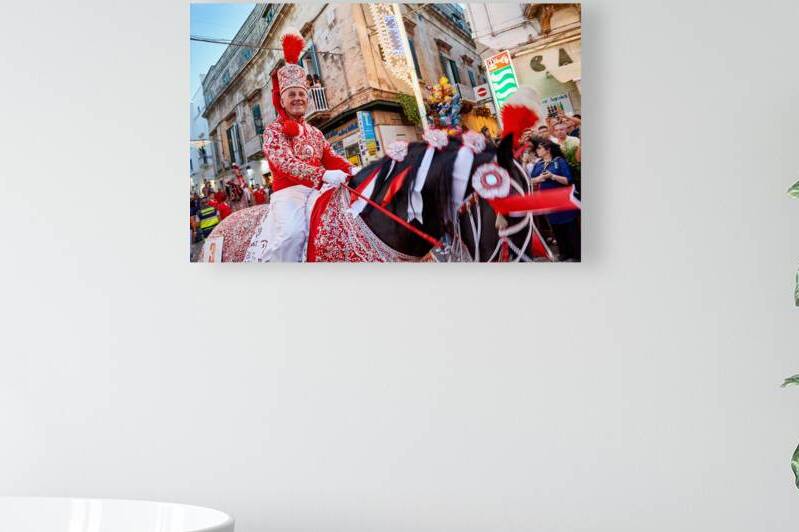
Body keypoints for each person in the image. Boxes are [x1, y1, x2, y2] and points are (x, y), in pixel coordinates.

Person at [257, 31, 352, 262]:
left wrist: (353, 170)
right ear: (282, 100)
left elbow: (331, 158)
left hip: (318, 192)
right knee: (292, 235)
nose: (298, 98)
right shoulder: (273, 130)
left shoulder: (315, 132)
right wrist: (324, 174)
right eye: (292, 94)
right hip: (289, 195)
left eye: (302, 93)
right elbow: (285, 163)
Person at [530, 138, 580, 261]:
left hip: (563, 200)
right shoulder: (538, 164)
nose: (537, 150)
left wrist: (552, 176)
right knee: (556, 228)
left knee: (570, 226)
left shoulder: (559, 161)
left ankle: (576, 254)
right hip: (548, 202)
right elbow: (530, 180)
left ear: (548, 150)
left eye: (539, 148)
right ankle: (563, 252)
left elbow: (568, 180)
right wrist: (539, 179)